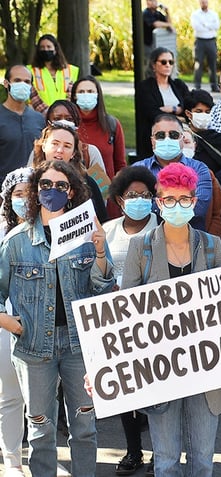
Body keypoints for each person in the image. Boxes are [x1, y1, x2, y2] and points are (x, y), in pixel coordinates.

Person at [0, 159, 115, 477]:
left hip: (80, 347)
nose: (52, 190)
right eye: (45, 184)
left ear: (72, 192)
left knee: (85, 428)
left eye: (60, 185)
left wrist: (101, 251)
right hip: (33, 348)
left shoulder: (86, 236)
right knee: (40, 432)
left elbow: (103, 287)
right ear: (36, 190)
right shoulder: (16, 241)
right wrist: (7, 321)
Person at [121, 163, 221, 477]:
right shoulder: (139, 248)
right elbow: (125, 312)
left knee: (203, 461)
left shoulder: (212, 247)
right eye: (169, 199)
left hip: (206, 367)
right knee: (166, 462)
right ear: (159, 202)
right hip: (160, 370)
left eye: (184, 199)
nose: (177, 205)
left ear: (194, 202)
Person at [102, 166, 159, 475]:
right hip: (116, 322)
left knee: (156, 389)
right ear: (119, 199)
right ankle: (133, 450)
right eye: (132, 195)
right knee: (125, 389)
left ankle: (160, 451)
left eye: (145, 195)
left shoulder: (162, 227)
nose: (139, 200)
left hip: (154, 321)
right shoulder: (107, 231)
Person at [0, 168, 31, 477]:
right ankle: (12, 463)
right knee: (10, 396)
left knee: (41, 401)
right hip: (5, 324)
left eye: (29, 193)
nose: (24, 200)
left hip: (42, 325)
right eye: (17, 194)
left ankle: (42, 459)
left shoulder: (50, 227)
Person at [133, 113, 214, 232]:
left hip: (192, 241)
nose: (167, 139)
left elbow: (199, 208)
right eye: (160, 135)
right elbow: (136, 209)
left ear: (182, 138)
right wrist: (182, 204)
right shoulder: (138, 169)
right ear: (152, 140)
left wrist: (155, 204)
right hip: (147, 242)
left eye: (173, 135)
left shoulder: (199, 169)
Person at [31, 121, 109, 223]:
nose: (60, 150)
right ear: (44, 145)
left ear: (73, 153)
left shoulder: (88, 183)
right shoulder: (29, 179)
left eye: (67, 146)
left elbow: (102, 221)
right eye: (55, 144)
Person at [136, 48, 190, 160]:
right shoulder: (145, 87)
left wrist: (173, 109)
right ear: (153, 65)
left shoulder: (179, 85)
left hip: (180, 137)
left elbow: (189, 107)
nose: (168, 65)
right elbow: (151, 112)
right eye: (163, 62)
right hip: (155, 138)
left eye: (171, 62)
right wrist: (178, 117)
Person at [71, 75, 127, 180]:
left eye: (90, 91)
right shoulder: (69, 126)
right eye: (81, 92)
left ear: (97, 94)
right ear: (74, 96)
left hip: (106, 192)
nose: (86, 95)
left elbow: (120, 164)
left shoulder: (112, 124)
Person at [0, 65, 45, 181]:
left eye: (27, 82)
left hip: (34, 188)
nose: (22, 84)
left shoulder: (39, 119)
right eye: (17, 80)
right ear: (6, 83)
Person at [182, 89, 221, 175]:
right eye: (198, 111)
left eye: (207, 112)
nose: (203, 115)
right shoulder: (182, 139)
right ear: (188, 113)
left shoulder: (219, 139)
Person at [28, 34, 79, 112]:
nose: (45, 50)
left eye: (49, 47)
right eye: (42, 47)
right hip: (39, 113)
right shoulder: (30, 70)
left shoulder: (71, 70)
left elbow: (72, 94)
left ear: (55, 49)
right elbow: (31, 96)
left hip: (65, 114)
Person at [190, 0, 220, 92]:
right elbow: (197, 27)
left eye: (205, 1)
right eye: (202, 1)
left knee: (213, 65)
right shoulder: (195, 15)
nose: (204, 3)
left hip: (211, 41)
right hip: (200, 41)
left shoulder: (213, 14)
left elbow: (217, 26)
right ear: (199, 2)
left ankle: (214, 86)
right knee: (198, 64)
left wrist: (205, 24)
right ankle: (197, 86)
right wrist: (209, 26)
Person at [142, 1, 173, 73]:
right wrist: (168, 25)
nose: (155, 3)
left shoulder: (157, 14)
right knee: (148, 65)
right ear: (148, 2)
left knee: (154, 65)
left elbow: (169, 23)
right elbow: (156, 24)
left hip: (154, 44)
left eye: (155, 1)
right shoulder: (146, 13)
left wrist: (167, 12)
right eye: (152, 1)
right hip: (146, 44)